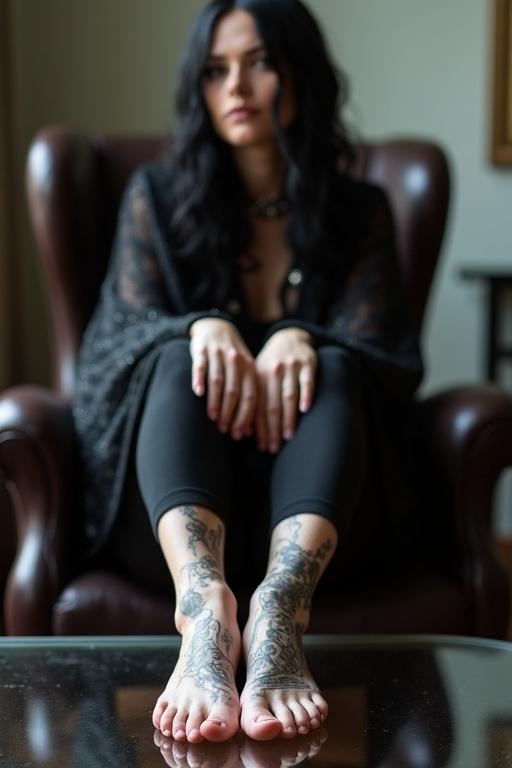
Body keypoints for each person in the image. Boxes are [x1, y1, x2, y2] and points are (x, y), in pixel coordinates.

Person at [73, 0, 423, 746]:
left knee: (335, 363)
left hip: (326, 518)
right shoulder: (158, 201)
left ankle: (277, 612)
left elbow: (394, 370)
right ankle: (206, 612)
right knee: (172, 354)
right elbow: (105, 355)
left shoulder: (360, 211)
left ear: (302, 75)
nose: (236, 86)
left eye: (260, 62)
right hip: (177, 521)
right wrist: (202, 326)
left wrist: (301, 336)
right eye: (215, 69)